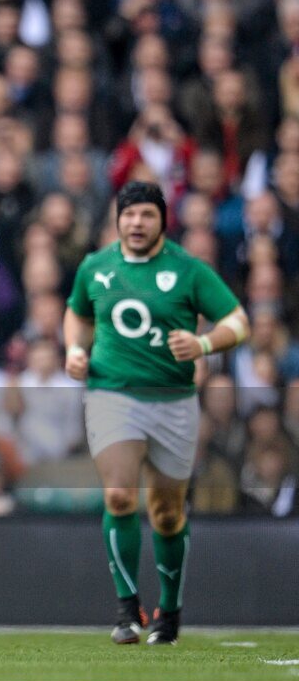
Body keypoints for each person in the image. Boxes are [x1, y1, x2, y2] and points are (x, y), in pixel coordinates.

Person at [63, 181, 250, 646]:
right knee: (121, 496)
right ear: (117, 219)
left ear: (163, 220)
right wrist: (73, 349)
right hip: (112, 394)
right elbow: (77, 313)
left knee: (167, 512)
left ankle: (170, 610)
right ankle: (128, 610)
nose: (137, 223)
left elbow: (238, 322)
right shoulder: (96, 266)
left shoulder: (188, 270)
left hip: (174, 400)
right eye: (129, 215)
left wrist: (203, 344)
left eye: (147, 215)